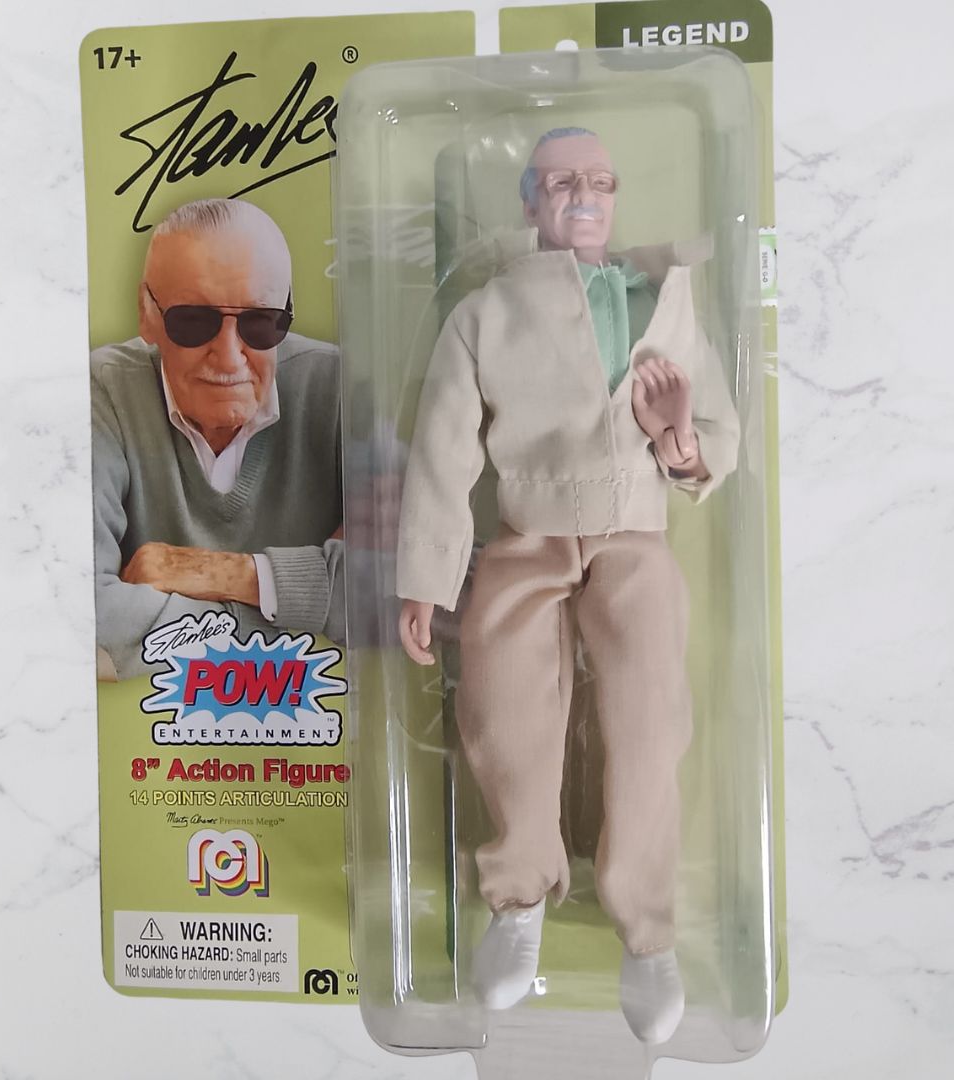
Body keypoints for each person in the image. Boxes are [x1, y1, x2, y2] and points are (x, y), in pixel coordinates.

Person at [395, 128, 740, 1042]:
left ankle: (648, 931)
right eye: (560, 182)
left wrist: (676, 440)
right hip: (528, 530)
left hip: (636, 533)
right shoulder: (488, 312)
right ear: (528, 199)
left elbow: (714, 435)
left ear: (616, 193)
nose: (583, 196)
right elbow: (443, 450)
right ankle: (517, 899)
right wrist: (426, 579)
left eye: (599, 181)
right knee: (503, 713)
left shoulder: (665, 299)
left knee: (651, 721)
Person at [92, 198, 344, 681]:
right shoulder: (101, 393)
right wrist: (312, 609)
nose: (229, 357)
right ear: (147, 313)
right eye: (193, 321)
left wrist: (220, 573)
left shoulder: (342, 393)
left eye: (260, 322)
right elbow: (77, 615)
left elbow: (429, 589)